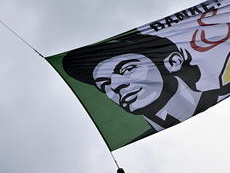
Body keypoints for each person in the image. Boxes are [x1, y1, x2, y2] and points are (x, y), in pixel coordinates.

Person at [62, 32, 219, 131]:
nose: (116, 86)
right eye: (105, 84)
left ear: (173, 62)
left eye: (128, 69)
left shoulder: (224, 94)